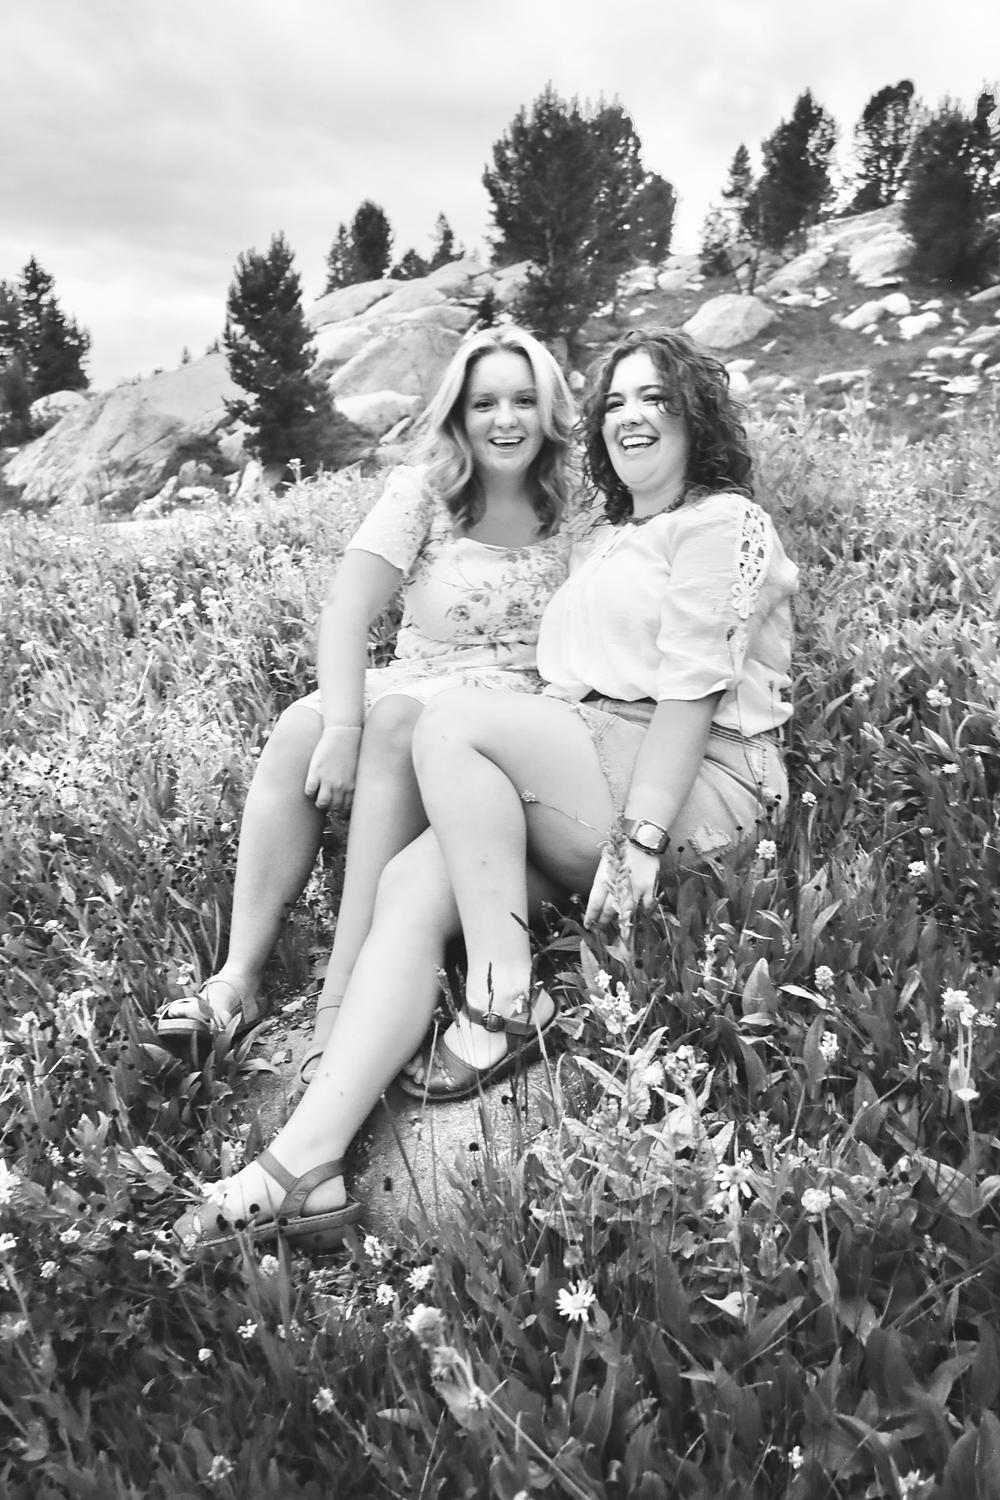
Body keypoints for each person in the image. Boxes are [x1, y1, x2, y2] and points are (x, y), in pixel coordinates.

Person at [172, 328, 798, 1258]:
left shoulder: (720, 522)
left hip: (701, 779)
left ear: (696, 416)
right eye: (617, 400)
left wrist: (638, 841)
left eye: (656, 399)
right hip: (595, 764)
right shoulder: (610, 531)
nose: (631, 416)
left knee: (451, 720)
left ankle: (503, 998)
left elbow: (692, 695)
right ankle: (304, 1164)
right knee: (409, 887)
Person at [156, 325, 577, 1089]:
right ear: (458, 413)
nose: (505, 420)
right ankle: (238, 981)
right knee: (300, 728)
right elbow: (347, 611)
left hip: (516, 703)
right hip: (422, 675)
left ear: (550, 409)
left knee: (398, 722)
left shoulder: (578, 500)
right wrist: (340, 728)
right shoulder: (424, 490)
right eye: (484, 403)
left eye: (524, 400)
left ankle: (342, 1000)